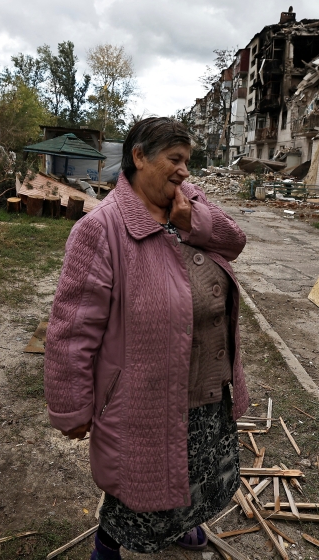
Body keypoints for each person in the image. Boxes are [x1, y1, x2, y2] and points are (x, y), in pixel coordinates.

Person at [43, 117, 250, 559]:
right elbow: (71, 328)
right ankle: (108, 543)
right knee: (139, 483)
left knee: (194, 471)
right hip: (144, 395)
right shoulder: (101, 229)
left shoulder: (189, 200)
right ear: (139, 156)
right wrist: (71, 406)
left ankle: (183, 526)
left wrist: (194, 221)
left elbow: (235, 241)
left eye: (187, 162)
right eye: (175, 159)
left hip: (205, 384)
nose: (185, 172)